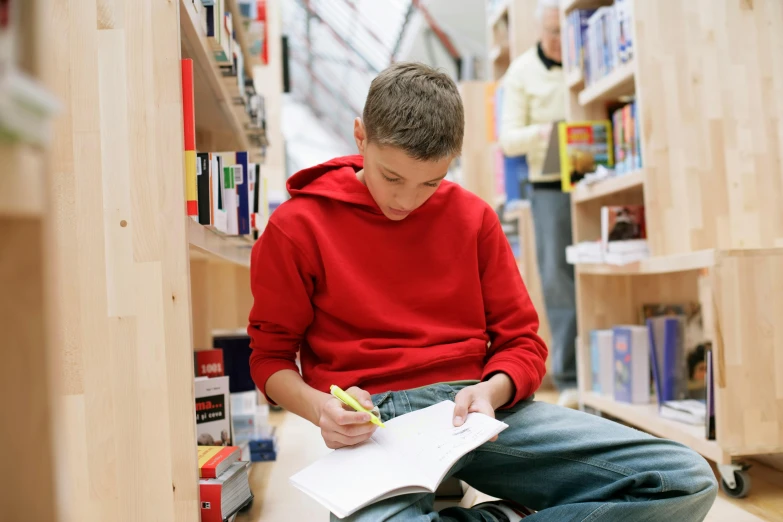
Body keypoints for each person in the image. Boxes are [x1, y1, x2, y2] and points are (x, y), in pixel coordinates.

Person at [248, 62, 717, 521]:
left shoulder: (473, 217)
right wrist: (321, 408)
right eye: (392, 177)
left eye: (430, 182)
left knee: (682, 478)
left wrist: (493, 391)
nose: (406, 201)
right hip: (375, 423)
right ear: (359, 137)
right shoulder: (296, 227)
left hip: (476, 411)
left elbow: (522, 341)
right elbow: (270, 358)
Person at [499, 0, 578, 407]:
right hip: (549, 185)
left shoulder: (585, 55)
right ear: (539, 33)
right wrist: (548, 133)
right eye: (553, 32)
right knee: (557, 277)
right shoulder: (521, 73)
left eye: (566, 30)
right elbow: (508, 138)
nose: (561, 40)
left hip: (597, 175)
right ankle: (570, 378)